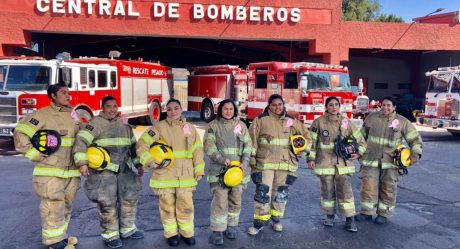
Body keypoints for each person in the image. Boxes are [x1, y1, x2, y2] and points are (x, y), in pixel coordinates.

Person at [13, 83, 81, 249]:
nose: (68, 95)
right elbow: (20, 132)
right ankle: (53, 241)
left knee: (66, 205)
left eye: (68, 92)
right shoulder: (42, 115)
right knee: (52, 206)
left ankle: (61, 237)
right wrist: (33, 154)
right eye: (63, 93)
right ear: (53, 96)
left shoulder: (73, 116)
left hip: (71, 172)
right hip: (50, 171)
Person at [72, 96, 144, 248]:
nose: (112, 109)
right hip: (103, 173)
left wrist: (138, 165)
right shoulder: (95, 124)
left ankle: (128, 230)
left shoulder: (124, 125)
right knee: (107, 204)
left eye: (114, 106)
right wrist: (82, 163)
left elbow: (132, 146)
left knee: (129, 201)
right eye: (108, 106)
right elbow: (80, 142)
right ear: (102, 107)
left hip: (125, 171)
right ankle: (110, 236)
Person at [136, 99, 205, 247]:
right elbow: (141, 145)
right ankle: (171, 234)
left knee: (186, 206)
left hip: (185, 176)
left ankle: (187, 234)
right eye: (169, 109)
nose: (173, 112)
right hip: (164, 175)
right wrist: (149, 161)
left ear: (181, 109)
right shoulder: (159, 127)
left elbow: (197, 150)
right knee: (167, 207)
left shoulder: (190, 129)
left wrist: (199, 169)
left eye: (176, 108)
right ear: (165, 111)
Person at [247, 94, 311, 235]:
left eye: (280, 104)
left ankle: (276, 219)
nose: (277, 107)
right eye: (274, 105)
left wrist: (302, 150)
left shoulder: (292, 121)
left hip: (286, 164)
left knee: (281, 193)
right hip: (265, 164)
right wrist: (252, 158)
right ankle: (259, 223)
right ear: (269, 106)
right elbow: (251, 141)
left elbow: (307, 137)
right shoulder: (260, 121)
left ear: (284, 105)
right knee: (263, 193)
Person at [357, 96, 423, 224]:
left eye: (388, 105)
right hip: (370, 159)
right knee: (368, 187)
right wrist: (357, 151)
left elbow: (414, 139)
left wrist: (415, 154)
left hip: (391, 162)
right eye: (383, 105)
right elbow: (361, 137)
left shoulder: (402, 122)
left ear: (394, 107)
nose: (385, 108)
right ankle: (366, 212)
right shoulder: (371, 118)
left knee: (388, 188)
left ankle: (384, 214)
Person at [307, 96, 366, 232]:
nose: (334, 107)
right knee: (327, 191)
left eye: (336, 105)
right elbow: (312, 144)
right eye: (331, 105)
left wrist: (358, 153)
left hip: (343, 165)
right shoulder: (318, 123)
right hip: (325, 163)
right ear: (326, 107)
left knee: (346, 192)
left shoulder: (346, 122)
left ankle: (349, 219)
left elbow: (361, 141)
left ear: (339, 107)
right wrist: (310, 159)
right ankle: (329, 215)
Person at [203, 99, 252, 245]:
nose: (228, 111)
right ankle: (217, 231)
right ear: (220, 110)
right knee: (220, 202)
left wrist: (245, 162)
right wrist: (220, 158)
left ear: (235, 110)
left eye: (231, 109)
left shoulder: (241, 125)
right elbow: (209, 146)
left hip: (239, 172)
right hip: (219, 172)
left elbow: (248, 145)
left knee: (235, 200)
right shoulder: (213, 126)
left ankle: (232, 227)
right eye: (225, 109)